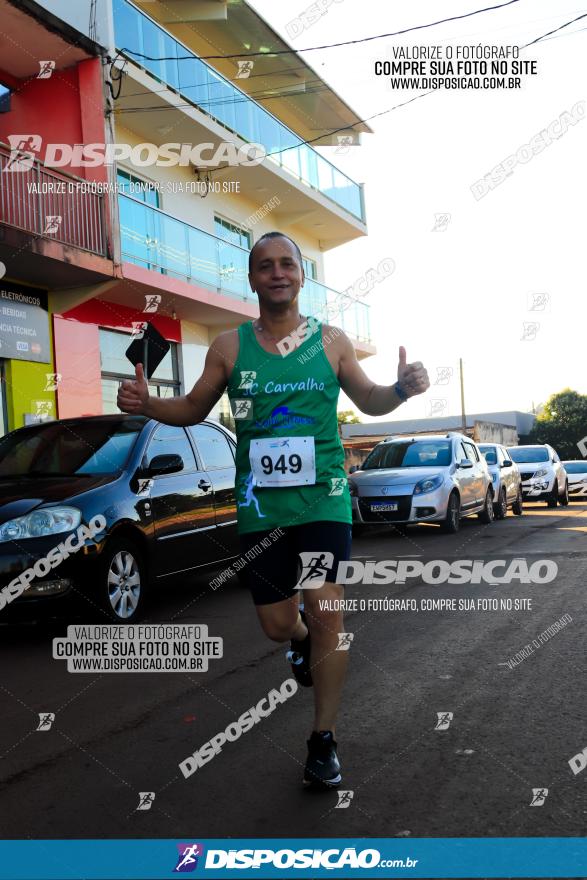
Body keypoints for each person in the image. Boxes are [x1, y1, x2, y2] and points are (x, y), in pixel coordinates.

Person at [117, 231, 430, 788]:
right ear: (253, 278)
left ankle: (323, 739)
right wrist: (149, 405)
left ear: (301, 276)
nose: (278, 273)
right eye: (266, 265)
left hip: (323, 502)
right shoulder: (230, 348)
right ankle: (301, 643)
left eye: (288, 264)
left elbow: (371, 399)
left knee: (324, 605)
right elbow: (193, 407)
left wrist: (401, 390)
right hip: (262, 510)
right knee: (277, 623)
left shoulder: (331, 341)